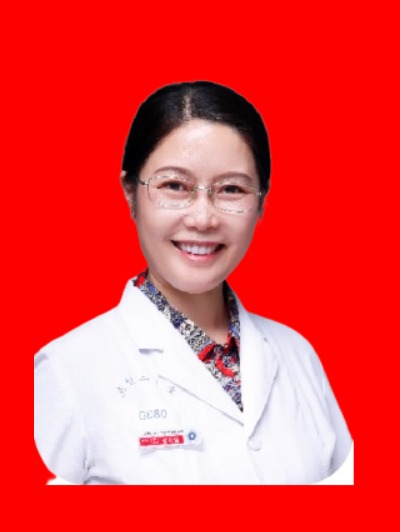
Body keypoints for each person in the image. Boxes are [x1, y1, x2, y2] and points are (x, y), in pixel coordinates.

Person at [34, 81, 352, 485]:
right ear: (130, 193)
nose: (203, 219)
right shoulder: (66, 371)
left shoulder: (298, 355)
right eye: (174, 186)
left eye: (232, 189)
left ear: (261, 202)